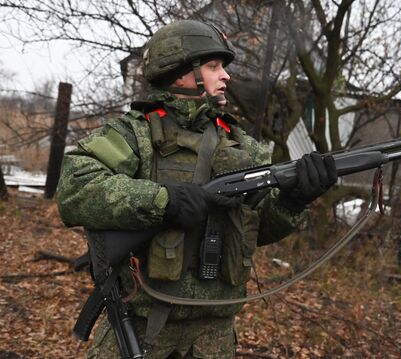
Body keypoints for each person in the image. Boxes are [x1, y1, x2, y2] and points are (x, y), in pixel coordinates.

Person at [56, 19, 337, 358]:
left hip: (212, 340)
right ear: (180, 73)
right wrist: (165, 200)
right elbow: (75, 187)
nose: (226, 76)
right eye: (214, 66)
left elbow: (258, 227)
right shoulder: (135, 134)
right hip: (139, 328)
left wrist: (295, 199)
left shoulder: (240, 145)